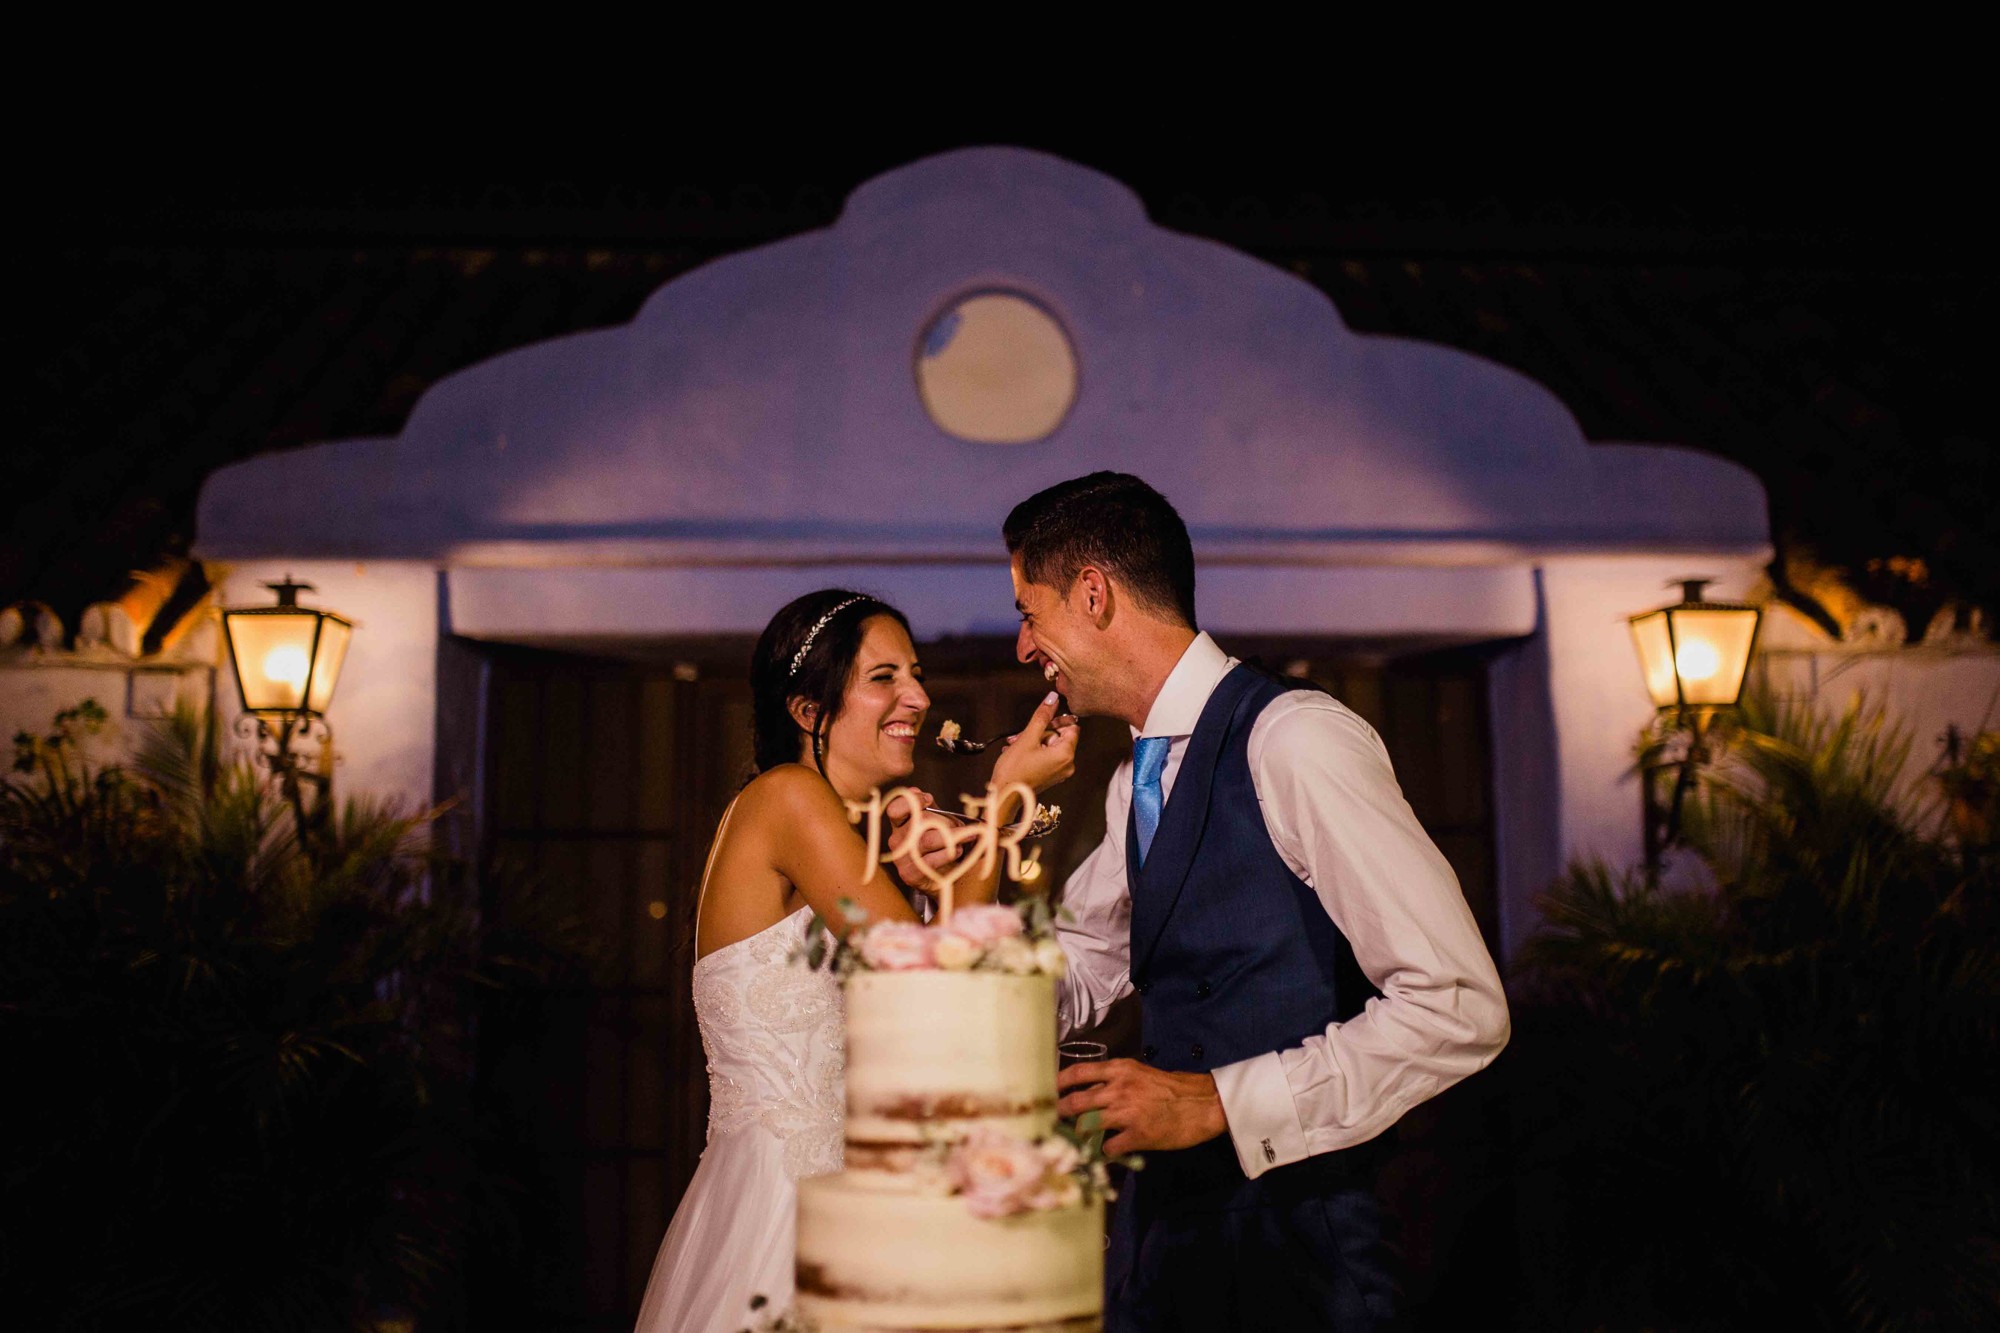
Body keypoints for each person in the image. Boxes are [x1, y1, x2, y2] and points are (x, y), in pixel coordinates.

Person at [1009, 473, 1510, 1330]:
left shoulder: (1297, 738)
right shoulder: (1135, 778)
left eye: (1029, 610)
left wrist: (1218, 1102)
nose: (1024, 647)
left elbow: (1458, 1005)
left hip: (1304, 1251)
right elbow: (1079, 969)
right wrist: (992, 832)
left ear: (1093, 593)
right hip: (1165, 1243)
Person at [632, 589, 1078, 1333]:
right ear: (808, 711)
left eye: (917, 673)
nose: (919, 695)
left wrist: (938, 869)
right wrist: (1004, 799)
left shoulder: (831, 829)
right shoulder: (788, 798)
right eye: (885, 677)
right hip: (794, 1219)